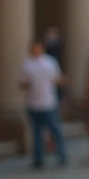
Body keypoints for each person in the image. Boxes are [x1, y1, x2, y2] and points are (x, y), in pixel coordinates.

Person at [22, 39, 68, 169]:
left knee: (56, 130)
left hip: (48, 102)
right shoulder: (27, 64)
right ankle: (38, 159)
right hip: (33, 103)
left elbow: (58, 79)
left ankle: (62, 155)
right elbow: (23, 83)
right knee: (36, 133)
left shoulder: (50, 62)